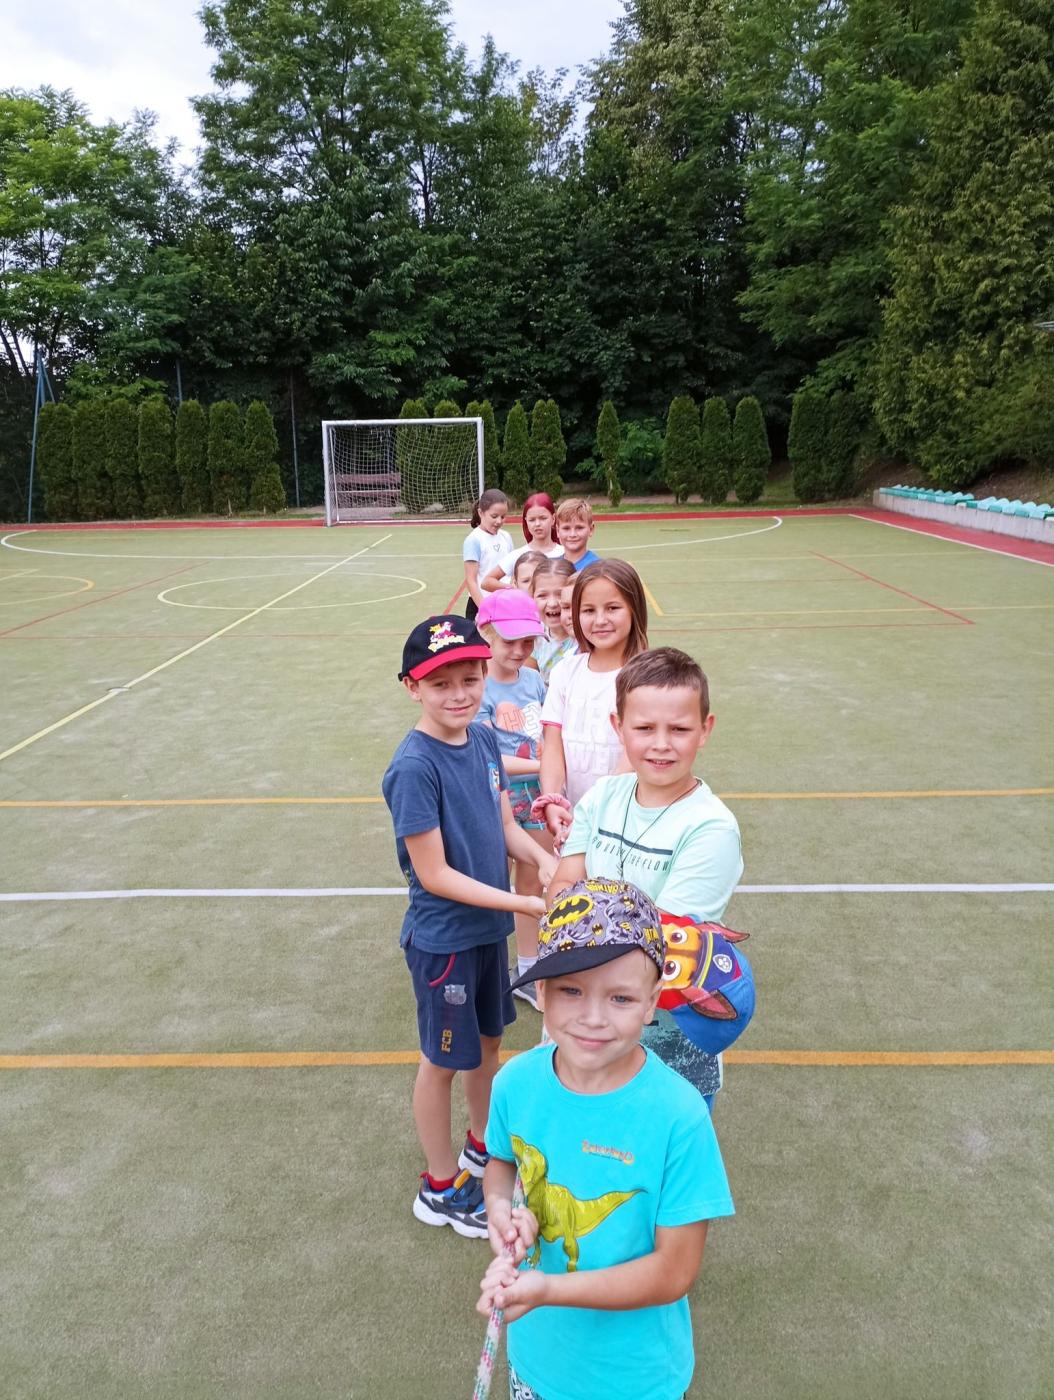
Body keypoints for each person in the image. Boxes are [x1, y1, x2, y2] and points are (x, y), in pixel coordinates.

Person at [478, 878, 734, 1400]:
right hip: (534, 1363)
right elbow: (501, 1162)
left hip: (636, 1380)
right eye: (570, 990)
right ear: (541, 991)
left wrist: (549, 1289)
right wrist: (500, 1212)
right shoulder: (514, 1084)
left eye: (620, 997)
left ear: (651, 1002)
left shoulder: (679, 1116)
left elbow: (673, 1271)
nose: (593, 1018)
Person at [381, 614, 556, 1239]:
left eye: (470, 679)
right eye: (440, 683)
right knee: (441, 1062)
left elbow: (505, 825)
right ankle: (439, 1188)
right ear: (413, 687)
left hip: (487, 934)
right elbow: (434, 875)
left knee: (487, 1046)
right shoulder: (414, 768)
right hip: (445, 943)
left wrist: (542, 863)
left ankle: (482, 1145)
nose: (458, 694)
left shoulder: (481, 740)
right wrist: (522, 904)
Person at [548, 647, 743, 1105]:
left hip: (667, 1034)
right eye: (644, 728)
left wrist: (578, 917)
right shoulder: (603, 795)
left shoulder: (711, 828)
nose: (661, 744)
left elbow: (656, 943)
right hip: (588, 1018)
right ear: (618, 727)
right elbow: (561, 886)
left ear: (705, 729)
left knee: (661, 1141)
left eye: (679, 729)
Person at [536, 559, 649, 847]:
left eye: (612, 608)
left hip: (628, 824)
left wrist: (591, 814)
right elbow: (553, 745)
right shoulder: (565, 672)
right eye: (588, 610)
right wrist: (552, 800)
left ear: (634, 609)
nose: (599, 620)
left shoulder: (648, 676)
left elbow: (634, 755)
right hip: (573, 821)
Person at [475, 590, 552, 1010]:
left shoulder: (534, 681)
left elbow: (547, 735)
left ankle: (527, 969)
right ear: (485, 632)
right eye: (510, 641)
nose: (521, 650)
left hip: (537, 795)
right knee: (490, 880)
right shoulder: (476, 687)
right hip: (495, 794)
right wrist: (543, 765)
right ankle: (481, 964)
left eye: (528, 641)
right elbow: (488, 756)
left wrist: (550, 769)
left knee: (532, 880)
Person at [482, 492, 563, 593]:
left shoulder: (565, 553)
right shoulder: (518, 555)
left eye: (543, 518)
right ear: (526, 521)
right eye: (532, 520)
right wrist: (514, 589)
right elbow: (486, 582)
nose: (537, 524)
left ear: (553, 519)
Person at [463, 489, 514, 620]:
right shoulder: (474, 540)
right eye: (494, 516)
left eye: (503, 517)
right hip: (480, 605)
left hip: (504, 604)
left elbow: (512, 571)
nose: (499, 521)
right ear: (481, 513)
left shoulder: (506, 537)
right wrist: (484, 608)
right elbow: (471, 581)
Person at [529, 556, 577, 686]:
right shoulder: (533, 636)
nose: (552, 603)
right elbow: (530, 682)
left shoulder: (585, 638)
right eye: (542, 595)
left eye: (560, 594)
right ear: (532, 598)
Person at [552, 497, 600, 573]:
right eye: (566, 528)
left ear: (591, 529)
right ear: (557, 531)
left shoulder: (598, 568)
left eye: (579, 528)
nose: (572, 534)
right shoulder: (552, 567)